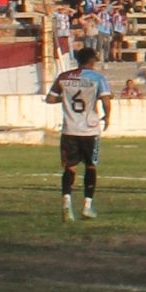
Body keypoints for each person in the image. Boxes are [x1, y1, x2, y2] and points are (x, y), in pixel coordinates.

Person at [46, 47, 112, 222]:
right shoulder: (98, 78)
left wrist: (65, 99)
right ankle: (87, 206)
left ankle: (66, 204)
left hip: (70, 129)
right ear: (91, 60)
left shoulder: (64, 77)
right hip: (90, 130)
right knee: (91, 166)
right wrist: (108, 117)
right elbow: (106, 100)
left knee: (70, 167)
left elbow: (50, 99)